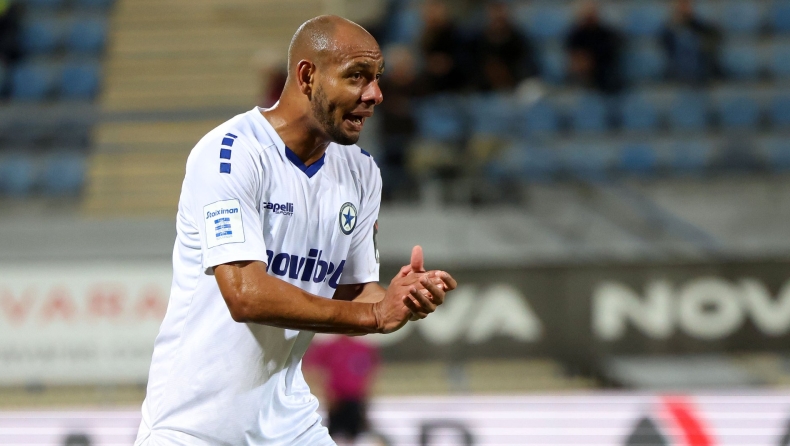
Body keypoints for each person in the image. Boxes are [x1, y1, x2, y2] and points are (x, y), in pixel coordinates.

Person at [134, 15, 457, 446]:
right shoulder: (229, 154)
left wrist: (402, 299)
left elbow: (355, 295)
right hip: (192, 427)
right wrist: (375, 315)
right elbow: (246, 295)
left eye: (377, 78)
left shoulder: (361, 172)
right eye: (357, 76)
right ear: (307, 76)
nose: (375, 94)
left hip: (288, 423)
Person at [303, 335, 379, 445]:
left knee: (356, 434)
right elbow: (313, 367)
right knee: (335, 434)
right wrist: (326, 390)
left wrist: (366, 390)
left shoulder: (363, 347)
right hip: (336, 399)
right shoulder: (330, 347)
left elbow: (373, 370)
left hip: (355, 398)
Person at [471, 1, 538, 92]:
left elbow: (527, 66)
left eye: (500, 11)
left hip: (515, 86)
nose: (497, 16)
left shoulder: (519, 39)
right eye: (494, 11)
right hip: (485, 88)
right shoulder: (477, 40)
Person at [565, 0, 624, 94]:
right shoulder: (575, 35)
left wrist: (591, 61)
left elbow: (611, 55)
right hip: (579, 76)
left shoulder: (606, 35)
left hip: (603, 76)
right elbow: (573, 55)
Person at [661, 0, 721, 86]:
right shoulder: (668, 31)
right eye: (681, 6)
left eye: (686, 5)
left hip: (701, 74)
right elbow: (665, 45)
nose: (684, 9)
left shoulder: (702, 28)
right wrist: (676, 25)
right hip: (676, 74)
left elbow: (715, 37)